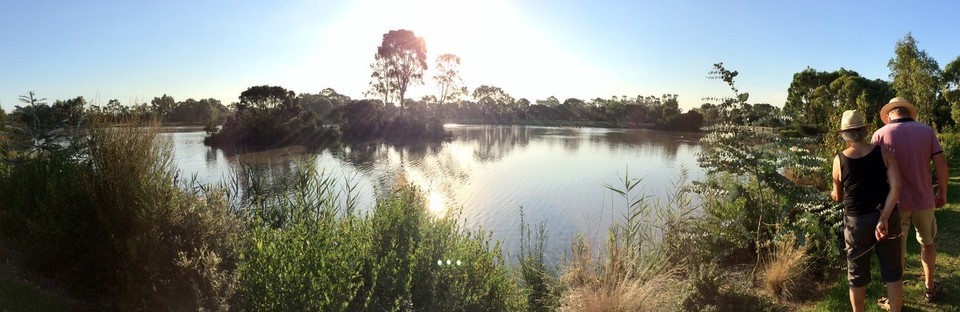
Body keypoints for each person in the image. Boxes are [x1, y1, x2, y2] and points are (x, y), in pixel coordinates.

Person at [872, 97, 949, 302]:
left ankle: (895, 298)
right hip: (924, 199)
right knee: (928, 243)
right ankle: (930, 287)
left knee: (898, 251)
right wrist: (942, 192)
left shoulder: (879, 134)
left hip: (894, 204)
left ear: (889, 114)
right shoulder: (926, 131)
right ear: (907, 112)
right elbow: (941, 164)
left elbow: (872, 172)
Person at [831, 110, 903, 312]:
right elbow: (897, 187)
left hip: (856, 222)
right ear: (864, 130)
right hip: (887, 216)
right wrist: (884, 218)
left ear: (845, 134)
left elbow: (838, 196)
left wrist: (832, 192)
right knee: (893, 273)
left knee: (856, 277)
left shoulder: (839, 160)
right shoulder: (883, 152)